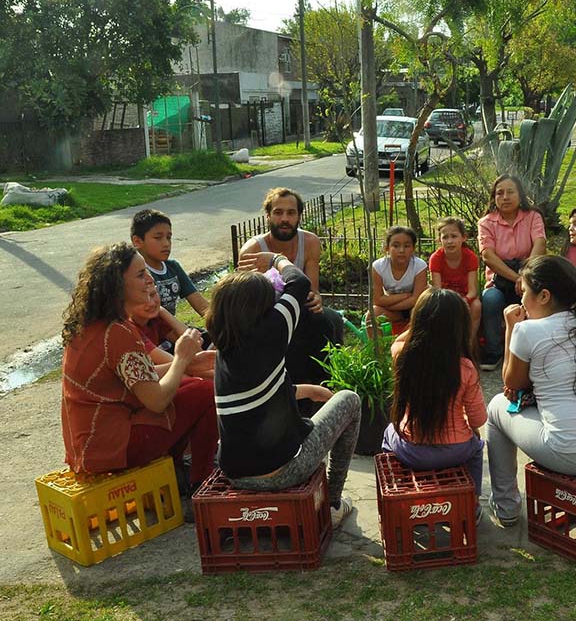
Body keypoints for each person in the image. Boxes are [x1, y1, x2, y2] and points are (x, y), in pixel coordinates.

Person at [60, 243, 217, 519]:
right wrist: (181, 359)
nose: (150, 281)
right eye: (141, 275)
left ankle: (178, 474)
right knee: (205, 392)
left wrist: (188, 365)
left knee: (192, 384)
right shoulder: (117, 332)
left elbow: (139, 377)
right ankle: (199, 486)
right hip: (109, 446)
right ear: (117, 285)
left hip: (89, 444)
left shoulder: (94, 323)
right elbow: (156, 401)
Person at [206, 252, 361, 528]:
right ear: (260, 309)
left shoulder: (224, 347)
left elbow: (259, 394)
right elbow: (299, 283)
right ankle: (333, 504)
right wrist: (276, 258)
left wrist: (306, 390)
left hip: (235, 473)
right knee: (350, 400)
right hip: (282, 471)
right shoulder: (272, 332)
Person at [486, 256, 576, 527]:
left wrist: (510, 327)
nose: (521, 301)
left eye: (525, 293)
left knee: (497, 407)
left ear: (544, 296)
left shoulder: (527, 330)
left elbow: (512, 383)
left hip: (572, 454)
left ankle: (506, 506)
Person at [382, 288, 487, 516]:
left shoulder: (402, 355)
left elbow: (400, 341)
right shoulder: (466, 368)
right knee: (477, 449)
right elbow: (479, 419)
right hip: (457, 450)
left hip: (411, 450)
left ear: (417, 321)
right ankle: (473, 504)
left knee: (389, 432)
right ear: (460, 328)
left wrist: (418, 324)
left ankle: (399, 492)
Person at [239, 188, 342, 400]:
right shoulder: (253, 250)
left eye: (290, 213)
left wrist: (316, 298)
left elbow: (311, 288)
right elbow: (249, 300)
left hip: (301, 307)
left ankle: (328, 382)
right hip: (266, 313)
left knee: (330, 320)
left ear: (299, 216)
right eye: (278, 212)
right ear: (267, 216)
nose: (284, 219)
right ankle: (290, 388)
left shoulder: (310, 242)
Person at [477, 175, 546, 371]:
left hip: (530, 276)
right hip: (499, 280)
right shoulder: (486, 223)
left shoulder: (533, 216)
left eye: (510, 192)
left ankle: (535, 350)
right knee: (490, 300)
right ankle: (494, 351)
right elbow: (488, 256)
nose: (505, 197)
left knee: (540, 298)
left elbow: (539, 244)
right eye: (500, 193)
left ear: (520, 195)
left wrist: (525, 277)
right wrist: (517, 278)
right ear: (493, 197)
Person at [131, 209, 208, 319]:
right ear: (137, 241)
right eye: (158, 238)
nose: (166, 244)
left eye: (169, 237)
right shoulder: (133, 272)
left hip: (174, 330)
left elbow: (202, 307)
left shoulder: (173, 267)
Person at [429, 217, 482, 344]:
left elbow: (473, 291)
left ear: (463, 238)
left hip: (465, 298)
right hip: (444, 299)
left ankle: (469, 342)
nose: (450, 241)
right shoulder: (436, 258)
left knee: (476, 306)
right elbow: (437, 290)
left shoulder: (470, 257)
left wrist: (464, 301)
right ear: (439, 240)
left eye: (454, 236)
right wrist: (451, 303)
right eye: (445, 237)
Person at [369, 226, 428, 330]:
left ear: (413, 248)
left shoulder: (419, 266)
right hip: (391, 310)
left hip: (415, 309)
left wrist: (390, 305)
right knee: (372, 315)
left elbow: (416, 299)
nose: (401, 250)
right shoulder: (378, 267)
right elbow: (377, 300)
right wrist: (405, 295)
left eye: (407, 246)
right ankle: (377, 346)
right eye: (396, 246)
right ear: (387, 248)